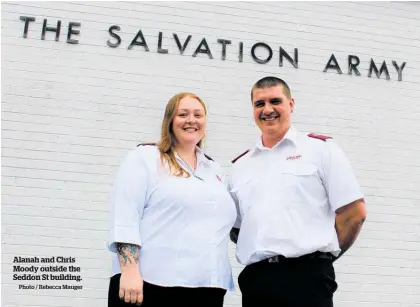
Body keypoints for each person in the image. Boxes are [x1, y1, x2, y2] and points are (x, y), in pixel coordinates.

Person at [228, 76, 367, 307]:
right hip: (257, 282)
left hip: (308, 279)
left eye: (275, 101)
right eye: (259, 104)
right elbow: (237, 229)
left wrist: (320, 257)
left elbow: (354, 213)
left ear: (291, 104)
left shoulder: (320, 150)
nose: (267, 109)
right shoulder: (240, 166)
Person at [108, 92, 237, 307]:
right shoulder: (146, 158)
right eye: (183, 114)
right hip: (151, 285)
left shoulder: (213, 169)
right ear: (169, 121)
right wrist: (129, 272)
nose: (191, 120)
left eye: (198, 114)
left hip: (207, 289)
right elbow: (125, 214)